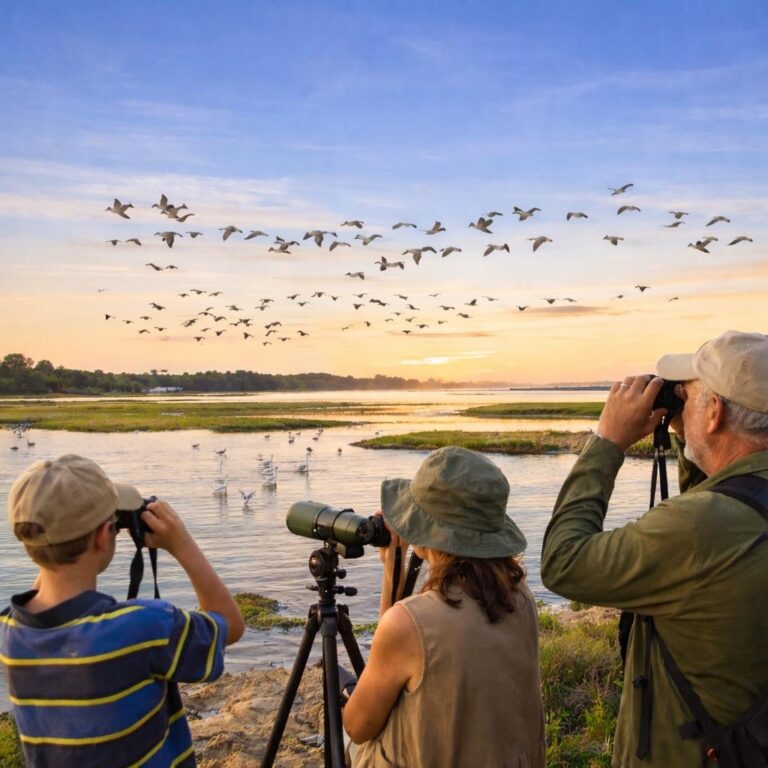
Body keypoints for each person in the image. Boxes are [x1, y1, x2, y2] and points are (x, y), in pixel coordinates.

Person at [541, 330, 768, 767]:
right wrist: (689, 434)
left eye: (688, 394)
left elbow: (562, 561)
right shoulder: (725, 516)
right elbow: (727, 497)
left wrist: (607, 442)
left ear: (715, 412)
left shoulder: (695, 528)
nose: (678, 400)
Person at [0, 454, 245, 767]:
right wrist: (180, 542)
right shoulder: (143, 627)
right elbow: (229, 625)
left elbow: (48, 576)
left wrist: (62, 537)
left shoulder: (10, 630)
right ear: (105, 536)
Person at [343, 446, 546, 768]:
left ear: (428, 530)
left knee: (346, 734)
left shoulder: (409, 623)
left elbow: (358, 726)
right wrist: (394, 567)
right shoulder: (519, 596)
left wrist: (392, 565)